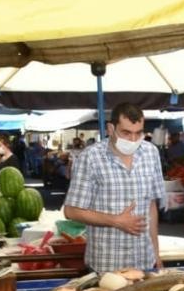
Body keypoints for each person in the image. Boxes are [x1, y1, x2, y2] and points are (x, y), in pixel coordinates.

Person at [64, 103, 163, 273]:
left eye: (138, 133)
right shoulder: (91, 158)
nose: (133, 140)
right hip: (106, 265)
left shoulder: (151, 153)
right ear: (111, 129)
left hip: (144, 261)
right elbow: (71, 211)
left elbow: (151, 207)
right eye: (126, 133)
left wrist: (156, 254)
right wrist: (116, 220)